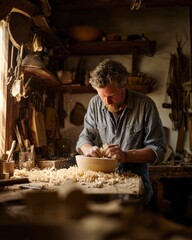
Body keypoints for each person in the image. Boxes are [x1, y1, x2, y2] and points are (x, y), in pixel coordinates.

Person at [76, 58, 166, 206]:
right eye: (102, 96)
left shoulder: (145, 105)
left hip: (134, 188)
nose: (107, 101)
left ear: (124, 85)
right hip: (102, 186)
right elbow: (84, 138)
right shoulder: (94, 104)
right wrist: (89, 149)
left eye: (111, 95)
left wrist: (125, 155)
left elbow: (158, 150)